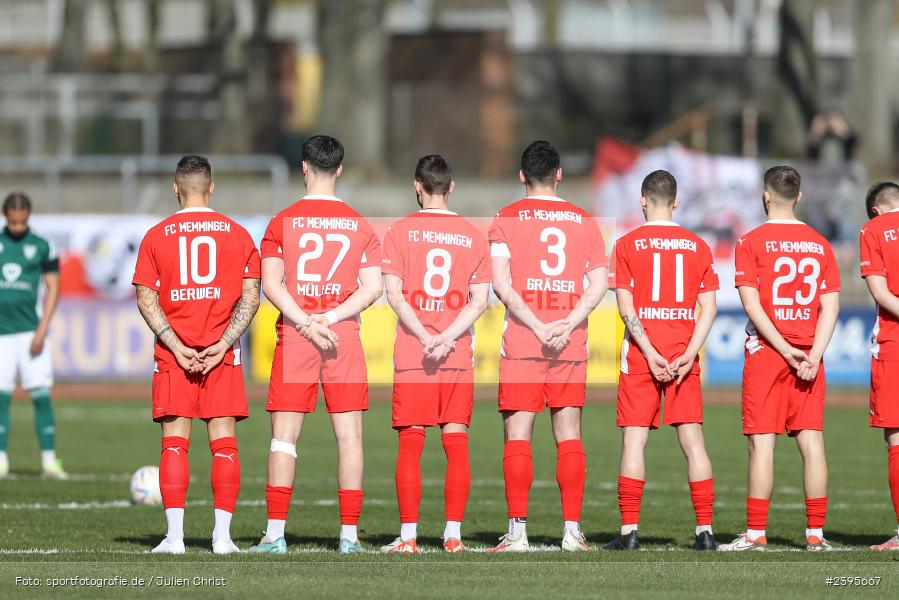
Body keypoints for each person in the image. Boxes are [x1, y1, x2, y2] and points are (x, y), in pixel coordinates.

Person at [249, 135, 382, 554]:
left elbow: (271, 284)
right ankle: (349, 537)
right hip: (341, 335)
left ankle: (274, 536)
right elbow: (372, 288)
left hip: (297, 334)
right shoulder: (360, 225)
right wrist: (333, 317)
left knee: (284, 439)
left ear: (304, 167)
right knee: (350, 439)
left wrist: (308, 321)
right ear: (339, 169)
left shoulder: (282, 221)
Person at [132, 155, 261, 554]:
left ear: (175, 189)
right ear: (212, 188)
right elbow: (251, 298)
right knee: (224, 443)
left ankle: (175, 538)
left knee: (174, 442)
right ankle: (222, 538)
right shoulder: (238, 234)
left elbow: (145, 296)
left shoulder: (157, 235)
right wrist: (222, 345)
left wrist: (175, 344)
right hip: (222, 353)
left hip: (175, 356)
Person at [486, 140, 608, 552]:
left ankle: (517, 532)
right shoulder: (584, 220)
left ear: (522, 176)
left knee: (518, 434)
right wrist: (567, 323)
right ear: (560, 174)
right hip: (569, 341)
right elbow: (598, 285)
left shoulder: (506, 218)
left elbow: (501, 283)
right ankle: (572, 531)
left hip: (524, 339)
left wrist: (537, 326)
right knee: (569, 434)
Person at [719, 166, 840, 552]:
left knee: (762, 444)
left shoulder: (751, 241)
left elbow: (752, 305)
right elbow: (830, 307)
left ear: (765, 195)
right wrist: (813, 354)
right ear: (799, 197)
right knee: (812, 442)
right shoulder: (820, 244)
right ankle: (816, 535)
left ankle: (756, 534)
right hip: (809, 353)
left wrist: (785, 349)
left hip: (768, 354)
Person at [379, 155, 490, 554]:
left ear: (417, 186)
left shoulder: (398, 231)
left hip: (414, 351)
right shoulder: (474, 235)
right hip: (456, 353)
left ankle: (408, 538)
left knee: (411, 443)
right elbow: (479, 302)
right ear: (452, 186)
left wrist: (425, 335)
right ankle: (453, 535)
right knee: (455, 440)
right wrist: (446, 337)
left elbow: (393, 295)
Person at [603, 170, 718, 551]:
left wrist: (650, 353)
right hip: (683, 352)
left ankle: (629, 533)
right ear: (677, 201)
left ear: (642, 201)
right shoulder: (698, 245)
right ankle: (705, 532)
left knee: (634, 443)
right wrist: (687, 355)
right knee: (693, 443)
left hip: (641, 355)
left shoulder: (626, 244)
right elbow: (709, 309)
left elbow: (625, 308)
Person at [0, 192, 65, 480]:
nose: (17, 227)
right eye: (12, 222)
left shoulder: (42, 246)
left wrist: (42, 329)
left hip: (30, 333)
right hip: (1, 336)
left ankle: (49, 462)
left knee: (40, 395)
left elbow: (53, 288)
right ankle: (1, 460)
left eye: (22, 221)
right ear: (5, 217)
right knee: (1, 397)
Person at [858, 181, 899, 551]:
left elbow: (881, 292)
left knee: (897, 437)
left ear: (876, 210)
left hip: (895, 340)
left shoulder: (873, 230)